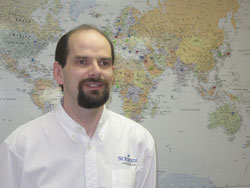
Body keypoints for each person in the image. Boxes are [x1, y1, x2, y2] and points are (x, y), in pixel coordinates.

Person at [0, 24, 156, 188]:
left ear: (113, 74)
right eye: (82, 62)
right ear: (59, 73)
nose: (96, 71)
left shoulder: (139, 142)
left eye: (104, 63)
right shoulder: (20, 148)